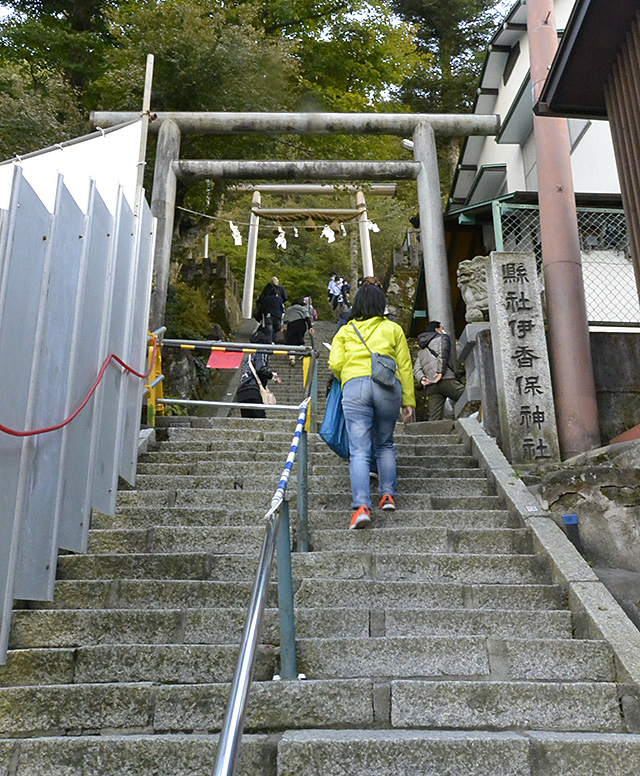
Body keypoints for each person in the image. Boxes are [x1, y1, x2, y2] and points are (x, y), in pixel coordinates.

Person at [328, 283, 415, 529]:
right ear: (381, 305)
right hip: (387, 386)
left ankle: (362, 507)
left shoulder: (346, 331)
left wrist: (347, 375)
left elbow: (334, 363)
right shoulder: (393, 328)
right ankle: (387, 495)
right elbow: (405, 366)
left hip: (355, 387)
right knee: (385, 443)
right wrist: (409, 400)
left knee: (359, 450)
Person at [414, 320, 464, 420]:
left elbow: (416, 368)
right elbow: (443, 354)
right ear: (437, 329)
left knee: (434, 417)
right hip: (446, 379)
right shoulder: (442, 338)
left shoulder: (421, 350)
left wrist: (422, 379)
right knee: (467, 397)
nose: (443, 330)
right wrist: (440, 372)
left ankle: (433, 434)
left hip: (431, 386)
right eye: (442, 328)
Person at [235, 331, 282, 418]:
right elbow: (260, 369)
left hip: (242, 392)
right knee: (260, 420)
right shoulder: (261, 351)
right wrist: (272, 376)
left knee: (247, 422)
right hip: (252, 390)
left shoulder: (250, 355)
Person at [283, 298, 314, 365]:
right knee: (299, 338)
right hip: (301, 324)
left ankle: (292, 358)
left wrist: (284, 328)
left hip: (291, 325)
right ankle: (303, 353)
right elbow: (307, 318)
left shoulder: (289, 309)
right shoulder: (303, 309)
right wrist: (310, 327)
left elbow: (285, 320)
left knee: (291, 342)